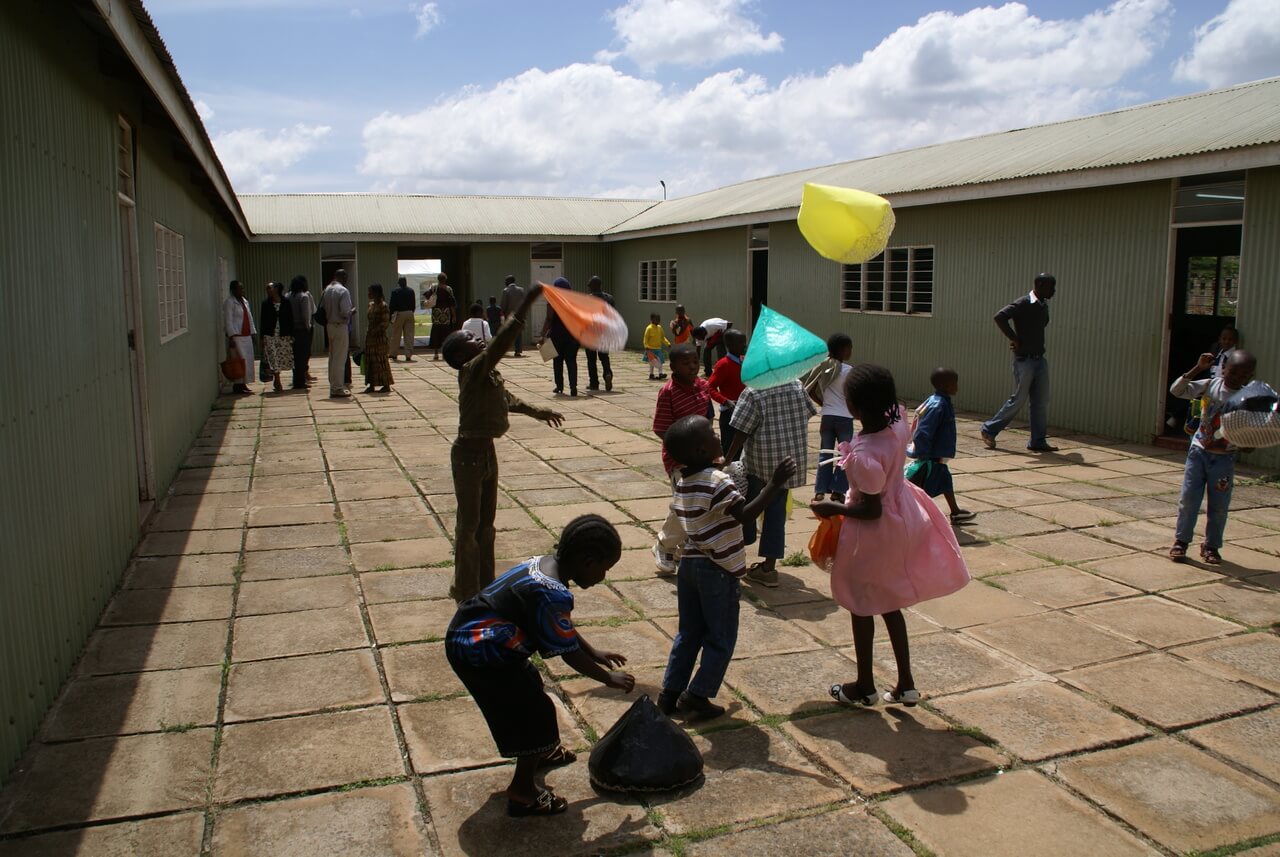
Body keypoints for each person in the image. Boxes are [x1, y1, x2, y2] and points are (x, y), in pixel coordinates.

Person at [446, 515, 635, 817]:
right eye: (605, 568)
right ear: (588, 561)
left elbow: (560, 628)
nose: (604, 576)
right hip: (481, 655)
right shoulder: (553, 592)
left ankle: (541, 751)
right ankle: (523, 792)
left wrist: (595, 651)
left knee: (531, 687)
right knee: (535, 715)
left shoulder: (544, 566)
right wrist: (607, 678)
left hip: (474, 638)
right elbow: (569, 654)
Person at [813, 364, 969, 707]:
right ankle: (906, 684)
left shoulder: (864, 455)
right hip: (904, 517)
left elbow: (870, 509)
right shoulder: (897, 424)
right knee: (890, 603)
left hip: (873, 532)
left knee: (860, 603)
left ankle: (865, 686)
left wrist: (833, 510)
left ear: (853, 409)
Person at [658, 416, 795, 719]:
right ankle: (696, 695)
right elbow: (745, 515)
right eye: (711, 434)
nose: (718, 435)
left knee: (688, 634)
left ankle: (669, 694)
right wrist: (774, 484)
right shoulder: (717, 481)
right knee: (720, 638)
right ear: (698, 451)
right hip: (718, 570)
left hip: (690, 567)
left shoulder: (683, 481)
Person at [442, 282, 565, 602]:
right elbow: (501, 343)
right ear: (459, 355)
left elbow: (508, 400)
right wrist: (528, 303)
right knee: (468, 529)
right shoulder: (472, 369)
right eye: (470, 339)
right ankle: (465, 590)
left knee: (487, 528)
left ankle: (486, 585)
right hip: (467, 456)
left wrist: (540, 412)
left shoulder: (487, 376)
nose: (478, 339)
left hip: (486, 456)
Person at [1168, 349, 1257, 565]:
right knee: (1189, 500)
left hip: (1224, 460)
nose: (1237, 378)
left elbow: (1252, 433)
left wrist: (1248, 445)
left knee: (1219, 505)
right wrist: (1198, 368)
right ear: (1223, 368)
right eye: (1233, 372)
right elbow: (1177, 390)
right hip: (1198, 454)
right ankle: (1181, 541)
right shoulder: (1210, 385)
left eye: (1244, 376)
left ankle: (1211, 546)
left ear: (1250, 377)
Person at [726, 378, 816, 587]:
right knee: (776, 513)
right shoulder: (796, 385)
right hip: (787, 462)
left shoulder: (754, 391)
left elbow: (741, 429)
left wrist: (728, 458)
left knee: (746, 506)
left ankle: (736, 556)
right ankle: (768, 568)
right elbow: (809, 412)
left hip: (759, 462)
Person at [651, 344, 713, 575]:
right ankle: (664, 545)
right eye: (686, 363)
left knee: (699, 505)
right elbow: (661, 429)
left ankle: (681, 549)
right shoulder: (668, 392)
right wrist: (683, 451)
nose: (692, 367)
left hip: (703, 456)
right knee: (684, 504)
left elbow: (708, 420)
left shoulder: (703, 387)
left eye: (695, 362)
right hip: (679, 460)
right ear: (673, 366)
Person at [981, 273, 1058, 452]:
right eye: (1050, 287)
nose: (1054, 291)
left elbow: (1040, 326)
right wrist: (1014, 338)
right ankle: (989, 429)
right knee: (1019, 399)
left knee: (1040, 401)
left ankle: (1037, 441)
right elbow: (999, 317)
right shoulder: (1024, 302)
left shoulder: (1042, 305)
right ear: (1039, 285)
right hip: (1024, 360)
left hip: (1039, 360)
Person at [907, 369, 975, 523]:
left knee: (945, 480)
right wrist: (922, 451)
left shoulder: (940, 401)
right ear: (946, 385)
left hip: (938, 454)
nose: (957, 386)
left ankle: (955, 511)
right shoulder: (938, 404)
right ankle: (912, 514)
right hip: (932, 455)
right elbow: (924, 430)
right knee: (923, 487)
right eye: (954, 383)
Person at [801, 333, 854, 501]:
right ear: (844, 350)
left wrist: (822, 403)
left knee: (825, 454)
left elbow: (809, 389)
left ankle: (820, 490)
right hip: (845, 417)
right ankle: (838, 490)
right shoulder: (848, 371)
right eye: (849, 348)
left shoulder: (822, 367)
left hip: (827, 417)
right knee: (844, 455)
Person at [539, 277, 581, 397]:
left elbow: (549, 318)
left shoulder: (553, 300)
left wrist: (542, 334)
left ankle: (559, 386)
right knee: (571, 361)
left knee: (557, 361)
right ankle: (573, 387)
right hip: (572, 335)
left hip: (557, 335)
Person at [706, 328, 746, 452]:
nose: (744, 345)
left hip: (746, 411)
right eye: (741, 343)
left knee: (745, 447)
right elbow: (709, 387)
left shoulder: (745, 361)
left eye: (744, 342)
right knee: (730, 448)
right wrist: (725, 401)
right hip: (730, 414)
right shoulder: (723, 364)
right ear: (730, 345)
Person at [321, 270, 355, 398]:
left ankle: (333, 385)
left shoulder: (327, 289)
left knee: (332, 357)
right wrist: (352, 311)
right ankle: (337, 387)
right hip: (340, 325)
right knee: (340, 359)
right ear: (343, 277)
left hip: (329, 325)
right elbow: (345, 311)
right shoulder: (343, 291)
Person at [258, 281, 294, 394]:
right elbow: (262, 321)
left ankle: (277, 378)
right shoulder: (266, 304)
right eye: (267, 289)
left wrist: (292, 335)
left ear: (276, 289)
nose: (268, 291)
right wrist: (262, 337)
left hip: (283, 335)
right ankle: (277, 380)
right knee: (272, 357)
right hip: (270, 334)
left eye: (270, 288)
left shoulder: (286, 302)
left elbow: (290, 318)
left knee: (281, 357)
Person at [222, 280, 256, 395]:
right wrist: (231, 336)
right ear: (233, 290)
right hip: (237, 335)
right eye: (239, 288)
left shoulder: (244, 301)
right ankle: (238, 385)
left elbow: (249, 318)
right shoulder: (229, 302)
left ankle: (244, 383)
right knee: (238, 360)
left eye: (242, 288)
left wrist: (253, 332)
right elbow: (228, 320)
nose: (242, 290)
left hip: (246, 334)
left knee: (247, 360)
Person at [584, 276, 616, 392]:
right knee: (604, 357)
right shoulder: (610, 299)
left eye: (590, 286)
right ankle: (607, 373)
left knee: (591, 359)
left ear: (594, 286)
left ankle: (594, 383)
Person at [362, 284, 394, 394]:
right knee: (370, 361)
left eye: (370, 292)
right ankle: (371, 385)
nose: (368, 294)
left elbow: (385, 322)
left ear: (376, 293)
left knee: (381, 361)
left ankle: (386, 384)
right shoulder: (370, 305)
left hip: (379, 339)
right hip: (370, 339)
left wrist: (376, 331)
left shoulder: (383, 306)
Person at [286, 275, 315, 390]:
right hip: (302, 331)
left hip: (291, 330)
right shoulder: (303, 297)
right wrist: (308, 328)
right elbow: (305, 316)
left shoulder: (287, 296)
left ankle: (296, 380)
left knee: (295, 357)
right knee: (303, 357)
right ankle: (300, 382)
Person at [426, 272, 459, 361]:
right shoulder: (449, 289)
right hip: (445, 313)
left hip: (436, 313)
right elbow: (452, 303)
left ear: (438, 279)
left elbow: (426, 296)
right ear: (445, 280)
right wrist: (454, 315)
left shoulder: (433, 287)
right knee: (446, 333)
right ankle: (444, 354)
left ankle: (436, 353)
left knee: (436, 332)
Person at [388, 276, 417, 362]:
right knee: (409, 335)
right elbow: (413, 304)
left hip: (399, 313)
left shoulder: (395, 291)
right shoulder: (411, 291)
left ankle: (393, 354)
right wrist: (411, 311)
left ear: (399, 283)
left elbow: (392, 305)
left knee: (396, 334)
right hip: (409, 313)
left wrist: (390, 316)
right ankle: (408, 355)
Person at [500, 275, 526, 357]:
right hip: (519, 315)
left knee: (507, 334)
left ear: (508, 281)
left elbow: (504, 304)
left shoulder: (506, 290)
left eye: (505, 281)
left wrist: (502, 314)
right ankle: (518, 351)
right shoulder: (521, 290)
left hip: (509, 316)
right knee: (518, 334)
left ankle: (503, 351)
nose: (505, 282)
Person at [643, 313, 671, 380]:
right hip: (650, 349)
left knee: (660, 361)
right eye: (657, 319)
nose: (659, 320)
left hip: (658, 349)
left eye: (659, 319)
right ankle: (651, 374)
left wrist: (668, 343)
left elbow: (662, 338)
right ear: (652, 319)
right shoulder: (649, 328)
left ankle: (660, 373)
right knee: (652, 363)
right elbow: (645, 338)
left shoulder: (660, 328)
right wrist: (646, 346)